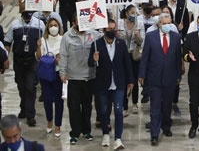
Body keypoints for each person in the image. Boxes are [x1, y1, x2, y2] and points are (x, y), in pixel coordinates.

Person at [88, 19, 134, 149]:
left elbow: (127, 63)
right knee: (103, 110)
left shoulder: (121, 44)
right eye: (109, 29)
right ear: (104, 30)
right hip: (102, 84)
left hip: (119, 83)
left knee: (119, 111)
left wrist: (130, 80)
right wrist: (94, 59)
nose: (112, 31)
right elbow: (90, 64)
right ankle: (106, 134)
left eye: (114, 28)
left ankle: (118, 138)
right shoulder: (96, 44)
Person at [138, 13, 182, 146]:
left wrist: (178, 75)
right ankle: (154, 134)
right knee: (155, 107)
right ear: (158, 24)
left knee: (167, 106)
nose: (166, 25)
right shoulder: (150, 37)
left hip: (170, 78)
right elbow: (145, 57)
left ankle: (166, 126)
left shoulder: (175, 37)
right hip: (154, 78)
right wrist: (142, 75)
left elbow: (177, 58)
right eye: (164, 23)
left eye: (169, 23)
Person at [59, 13, 100, 144]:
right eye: (79, 21)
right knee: (74, 107)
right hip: (73, 77)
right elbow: (63, 55)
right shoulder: (67, 37)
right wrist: (62, 72)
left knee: (87, 106)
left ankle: (87, 131)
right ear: (73, 22)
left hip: (89, 77)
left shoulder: (94, 35)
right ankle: (75, 132)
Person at [4, 11, 45, 127]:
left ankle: (30, 115)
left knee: (30, 86)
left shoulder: (39, 24)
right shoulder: (15, 24)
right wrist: (5, 58)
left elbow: (45, 41)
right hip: (18, 61)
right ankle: (24, 107)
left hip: (33, 61)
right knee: (21, 86)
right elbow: (7, 42)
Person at [37, 18, 64, 137]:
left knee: (59, 101)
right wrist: (38, 47)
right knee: (47, 100)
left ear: (59, 27)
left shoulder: (63, 40)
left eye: (55, 25)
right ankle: (49, 120)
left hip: (58, 74)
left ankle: (58, 125)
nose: (53, 27)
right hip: (45, 74)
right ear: (48, 27)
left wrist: (60, 59)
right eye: (51, 25)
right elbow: (38, 57)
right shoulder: (43, 40)